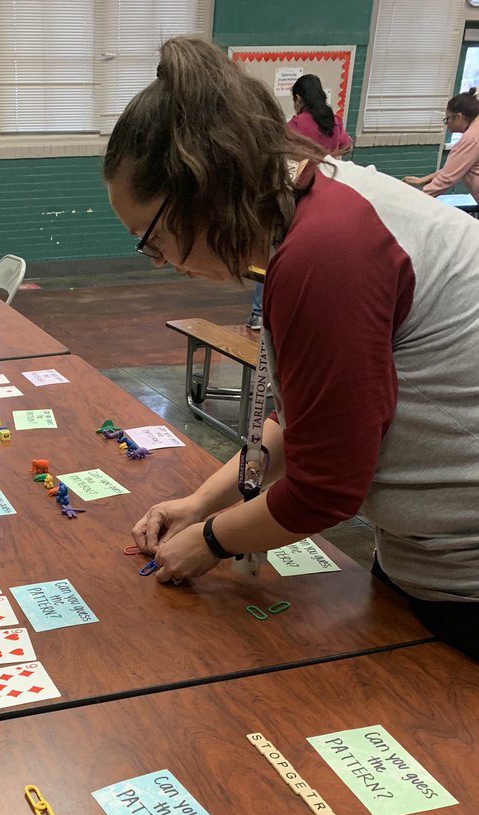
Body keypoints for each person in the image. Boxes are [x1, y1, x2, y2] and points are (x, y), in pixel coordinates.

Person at [105, 37, 479, 660]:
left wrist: (212, 541)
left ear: (203, 189)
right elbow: (311, 420)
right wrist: (200, 502)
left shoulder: (324, 253)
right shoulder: (311, 202)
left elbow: (325, 488)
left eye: (153, 238)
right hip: (429, 555)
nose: (161, 263)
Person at [246, 73, 352, 330]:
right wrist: (327, 158)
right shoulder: (334, 122)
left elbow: (278, 155)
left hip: (299, 196)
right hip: (329, 195)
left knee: (276, 250)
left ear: (298, 98)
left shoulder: (297, 124)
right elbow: (346, 147)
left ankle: (259, 313)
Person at [403, 88, 479, 204]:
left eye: (447, 118)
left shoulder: (471, 138)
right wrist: (422, 180)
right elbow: (456, 167)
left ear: (458, 117)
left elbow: (447, 178)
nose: (446, 123)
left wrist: (413, 201)